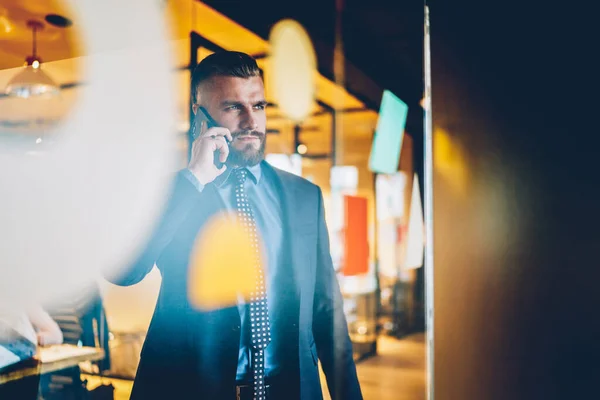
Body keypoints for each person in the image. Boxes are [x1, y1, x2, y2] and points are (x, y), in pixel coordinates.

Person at [107, 51, 362, 400]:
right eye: (233, 107)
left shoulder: (304, 197)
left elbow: (327, 311)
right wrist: (193, 177)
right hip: (190, 390)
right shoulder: (172, 192)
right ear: (200, 114)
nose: (250, 121)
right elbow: (124, 272)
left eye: (258, 106)